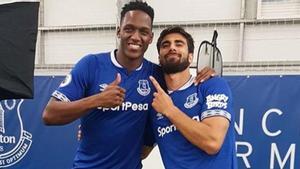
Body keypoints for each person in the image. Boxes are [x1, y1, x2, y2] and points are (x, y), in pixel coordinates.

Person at [42, 1, 214, 169]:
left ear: (150, 38)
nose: (135, 37)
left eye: (143, 31)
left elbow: (181, 86)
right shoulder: (91, 65)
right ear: (119, 31)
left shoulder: (156, 76)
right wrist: (97, 101)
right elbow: (50, 114)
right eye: (129, 29)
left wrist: (206, 73)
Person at [148, 26, 237, 169]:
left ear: (190, 56)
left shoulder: (212, 85)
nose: (172, 48)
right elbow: (141, 152)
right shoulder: (156, 104)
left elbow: (212, 142)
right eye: (166, 45)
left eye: (179, 44)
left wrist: (170, 110)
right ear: (159, 57)